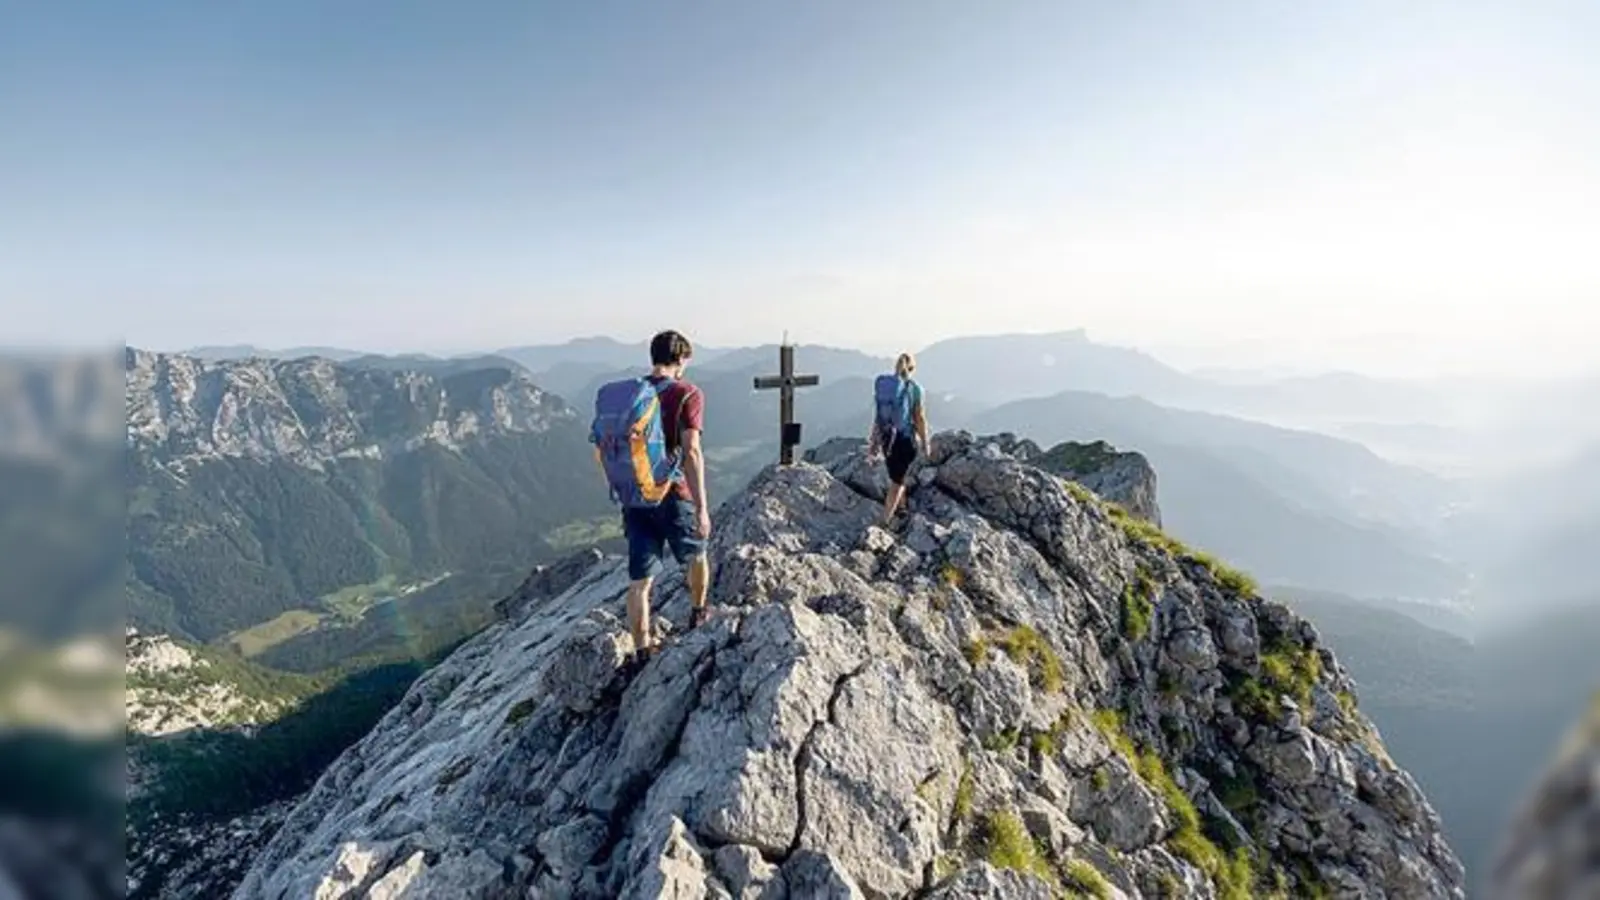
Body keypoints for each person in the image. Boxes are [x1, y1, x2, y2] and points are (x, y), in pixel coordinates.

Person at [591, 329, 713, 676]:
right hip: (673, 495)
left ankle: (642, 650)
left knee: (640, 582)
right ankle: (699, 611)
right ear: (682, 359)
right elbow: (691, 451)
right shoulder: (687, 393)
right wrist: (702, 507)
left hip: (635, 498)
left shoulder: (630, 395)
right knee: (698, 553)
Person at [867, 352, 929, 525]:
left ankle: (901, 508)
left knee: (897, 474)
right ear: (912, 369)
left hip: (887, 439)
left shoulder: (885, 387)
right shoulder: (915, 389)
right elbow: (919, 418)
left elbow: (878, 416)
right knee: (898, 482)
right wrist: (925, 442)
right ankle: (885, 521)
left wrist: (873, 443)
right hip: (905, 440)